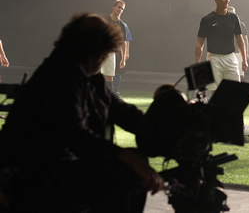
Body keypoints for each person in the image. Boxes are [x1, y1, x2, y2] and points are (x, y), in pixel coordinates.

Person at [0, 13, 163, 212]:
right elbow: (75, 134)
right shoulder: (60, 73)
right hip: (28, 175)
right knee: (125, 173)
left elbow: (119, 109)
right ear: (95, 51)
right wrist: (125, 156)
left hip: (57, 168)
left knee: (131, 166)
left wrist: (156, 127)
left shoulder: (89, 77)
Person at [195, 0, 248, 93]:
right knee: (215, 93)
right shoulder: (207, 20)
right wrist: (198, 64)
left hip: (230, 58)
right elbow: (199, 44)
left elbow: (239, 39)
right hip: (213, 59)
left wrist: (244, 59)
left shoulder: (234, 18)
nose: (227, 0)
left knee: (233, 92)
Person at [101, 0, 128, 90]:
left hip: (110, 52)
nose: (120, 9)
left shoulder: (122, 25)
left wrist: (123, 59)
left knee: (109, 77)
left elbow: (123, 42)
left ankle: (107, 98)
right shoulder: (104, 20)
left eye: (122, 8)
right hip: (99, 51)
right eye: (118, 7)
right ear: (113, 7)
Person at [227, 6, 249, 81]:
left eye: (232, 13)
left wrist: (246, 53)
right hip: (228, 53)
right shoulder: (223, 25)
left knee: (240, 74)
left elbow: (245, 40)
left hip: (238, 53)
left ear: (235, 13)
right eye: (229, 13)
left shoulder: (241, 24)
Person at [114, 21, 132, 95]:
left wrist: (126, 53)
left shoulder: (123, 25)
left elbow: (127, 40)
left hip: (119, 52)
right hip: (110, 52)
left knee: (118, 72)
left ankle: (116, 90)